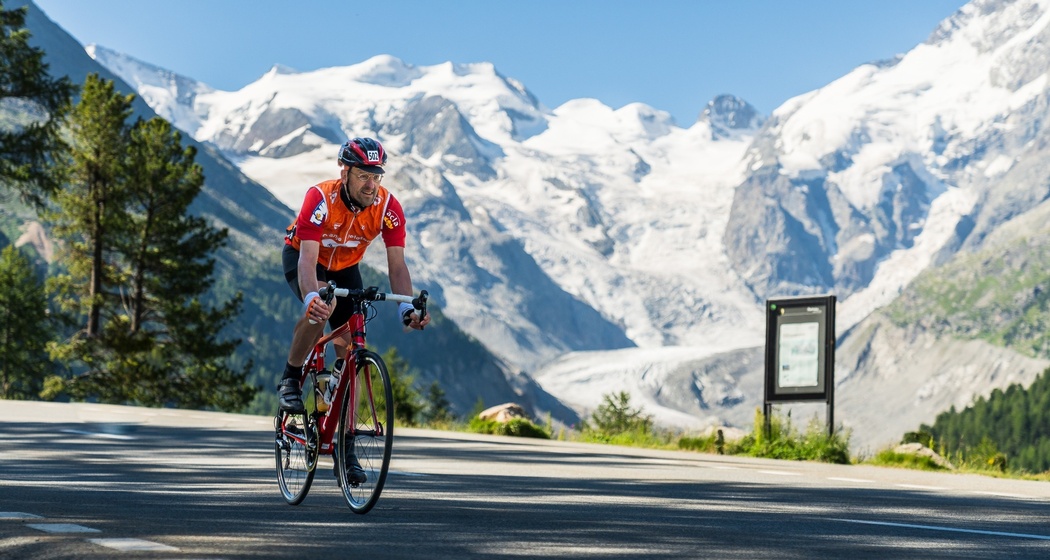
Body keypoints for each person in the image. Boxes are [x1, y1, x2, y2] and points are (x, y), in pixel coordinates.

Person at [278, 136, 430, 415]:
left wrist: (406, 308)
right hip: (305, 259)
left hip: (347, 268)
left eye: (376, 177)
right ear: (344, 172)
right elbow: (308, 261)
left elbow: (397, 266)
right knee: (324, 308)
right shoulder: (321, 198)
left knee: (351, 353)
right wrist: (313, 297)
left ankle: (347, 447)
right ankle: (290, 378)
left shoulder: (388, 208)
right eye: (363, 176)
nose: (371, 186)